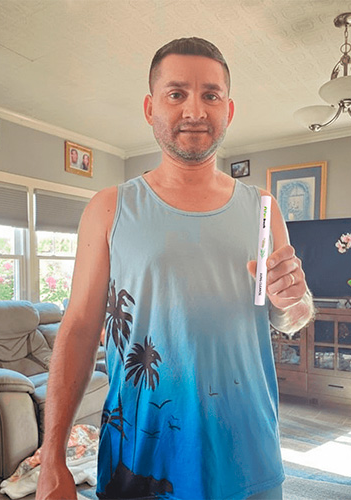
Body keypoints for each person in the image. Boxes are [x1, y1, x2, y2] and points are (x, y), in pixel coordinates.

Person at [36, 37, 314, 500]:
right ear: (151, 108)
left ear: (229, 110)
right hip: (139, 462)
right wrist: (52, 458)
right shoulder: (109, 208)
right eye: (176, 93)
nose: (195, 110)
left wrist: (294, 300)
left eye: (211, 95)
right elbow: (79, 329)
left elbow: (290, 317)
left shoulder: (264, 208)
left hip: (248, 456)